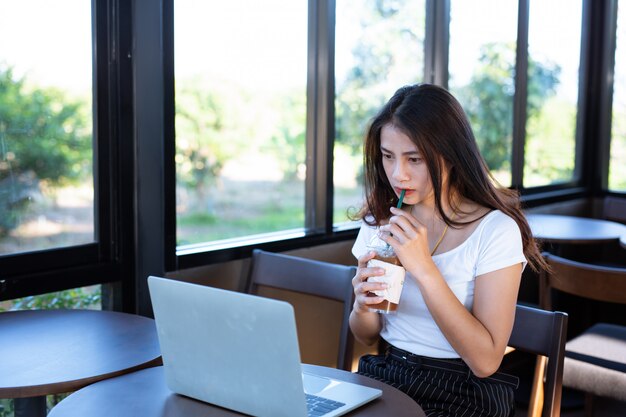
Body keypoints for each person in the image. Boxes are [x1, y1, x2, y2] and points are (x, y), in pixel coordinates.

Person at [349, 84, 546, 417]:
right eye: (388, 156)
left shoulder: (495, 231)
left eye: (415, 159)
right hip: (390, 373)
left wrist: (424, 269)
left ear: (451, 155)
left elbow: (485, 361)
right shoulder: (381, 220)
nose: (399, 174)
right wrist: (362, 305)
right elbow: (367, 336)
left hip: (463, 390)